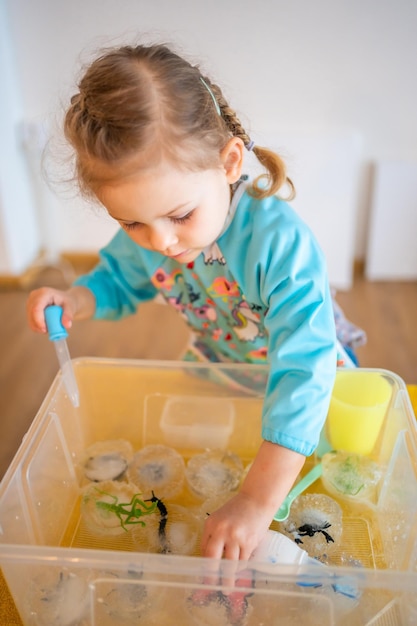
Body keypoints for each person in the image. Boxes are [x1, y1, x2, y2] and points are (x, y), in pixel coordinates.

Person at [27, 42, 338, 561]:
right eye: (130, 223)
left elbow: (306, 369)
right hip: (216, 368)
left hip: (301, 399)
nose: (161, 243)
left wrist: (259, 499)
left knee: (304, 490)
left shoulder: (279, 244)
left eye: (180, 215)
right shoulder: (149, 235)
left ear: (229, 162)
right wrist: (76, 298)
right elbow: (119, 280)